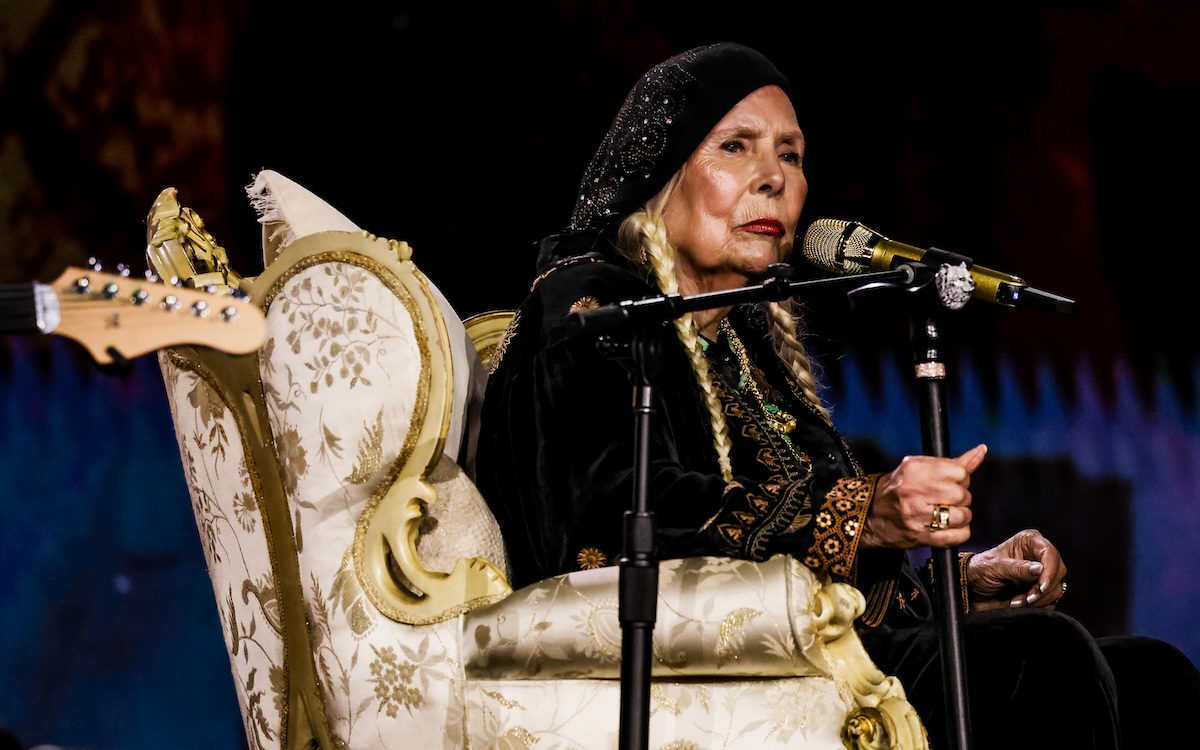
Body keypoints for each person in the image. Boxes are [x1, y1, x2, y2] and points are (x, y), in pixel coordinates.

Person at [474, 41, 1200, 749]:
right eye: (736, 147)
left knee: (1153, 675)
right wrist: (865, 515)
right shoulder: (591, 310)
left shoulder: (745, 346)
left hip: (797, 651)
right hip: (702, 675)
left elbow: (820, 566)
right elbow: (614, 519)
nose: (774, 178)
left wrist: (960, 589)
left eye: (790, 155)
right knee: (1041, 659)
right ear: (663, 174)